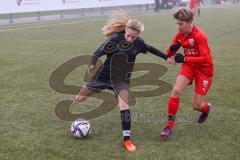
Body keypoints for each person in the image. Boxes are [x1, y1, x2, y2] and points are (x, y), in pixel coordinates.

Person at [75, 10, 168, 151]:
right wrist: (92, 65)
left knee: (124, 105)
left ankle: (127, 140)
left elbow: (151, 49)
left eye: (134, 37)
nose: (130, 39)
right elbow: (97, 53)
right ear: (125, 29)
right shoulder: (114, 40)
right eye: (129, 35)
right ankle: (95, 87)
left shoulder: (139, 43)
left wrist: (168, 58)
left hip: (121, 80)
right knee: (79, 98)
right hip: (103, 76)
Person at [160, 8, 214, 140]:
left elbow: (206, 58)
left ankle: (206, 108)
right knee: (176, 91)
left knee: (196, 106)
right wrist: (172, 49)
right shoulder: (180, 35)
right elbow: (169, 53)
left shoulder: (199, 35)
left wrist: (184, 59)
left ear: (189, 22)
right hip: (189, 67)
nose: (178, 27)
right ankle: (169, 126)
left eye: (180, 24)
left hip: (204, 70)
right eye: (177, 23)